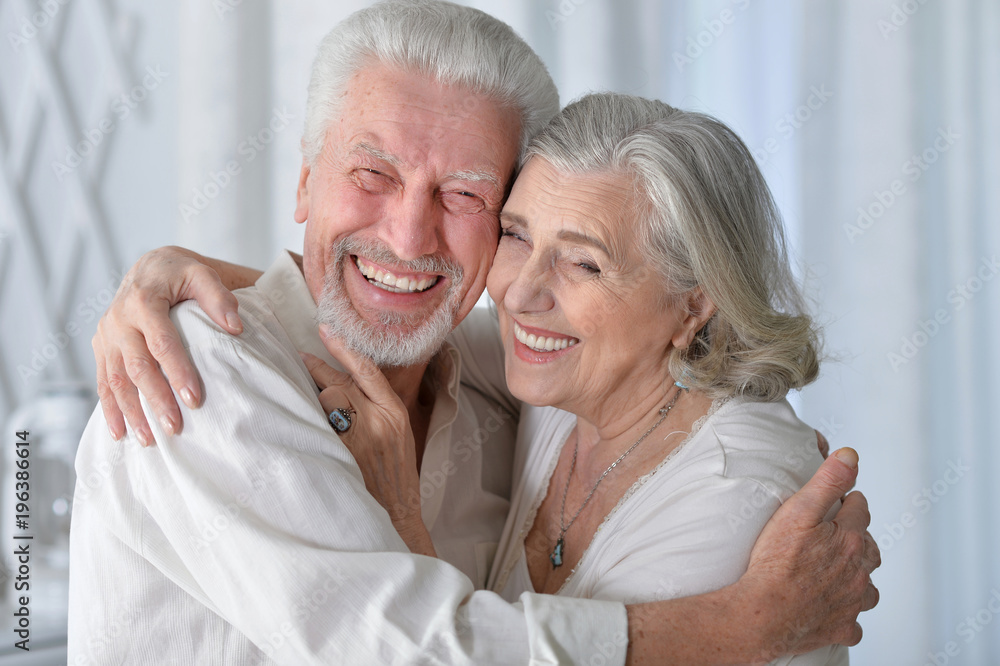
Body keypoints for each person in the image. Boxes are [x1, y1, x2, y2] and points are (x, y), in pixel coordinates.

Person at [71, 1, 878, 664]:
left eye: (465, 195)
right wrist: (733, 627)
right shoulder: (193, 371)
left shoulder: (528, 389)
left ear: (693, 304)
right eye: (371, 176)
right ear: (306, 181)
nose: (411, 236)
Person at [303, 92, 852, 664]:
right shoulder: (580, 373)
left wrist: (401, 517)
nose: (519, 294)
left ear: (693, 305)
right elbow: (385, 319)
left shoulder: (737, 497)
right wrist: (205, 276)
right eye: (516, 236)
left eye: (585, 263)